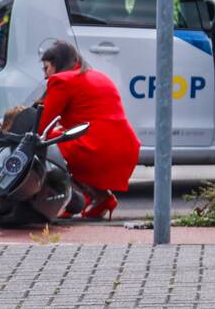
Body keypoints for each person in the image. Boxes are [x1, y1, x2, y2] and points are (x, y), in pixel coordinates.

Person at [37, 40, 140, 219]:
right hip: (125, 147)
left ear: (57, 64)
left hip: (96, 148)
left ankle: (66, 201)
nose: (45, 75)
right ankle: (101, 198)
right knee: (63, 140)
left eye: (46, 68)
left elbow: (42, 125)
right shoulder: (98, 75)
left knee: (47, 148)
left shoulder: (62, 80)